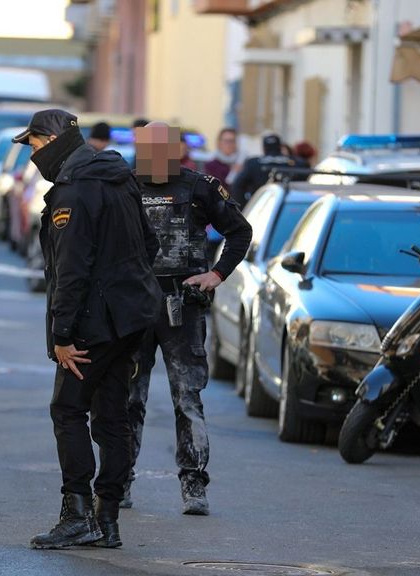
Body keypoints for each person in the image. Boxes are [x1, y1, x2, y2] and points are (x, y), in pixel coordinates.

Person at [12, 109, 160, 550]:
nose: (34, 156)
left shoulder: (73, 191)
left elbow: (71, 270)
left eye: (35, 146)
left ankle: (77, 514)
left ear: (53, 140)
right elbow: (148, 245)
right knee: (112, 417)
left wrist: (62, 336)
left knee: (68, 410)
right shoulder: (119, 176)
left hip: (94, 323)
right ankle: (107, 519)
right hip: (130, 319)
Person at [127, 122, 252, 515]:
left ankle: (194, 486)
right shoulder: (125, 185)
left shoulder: (199, 186)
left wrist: (216, 274)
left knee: (188, 398)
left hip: (183, 303)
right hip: (135, 305)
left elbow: (240, 232)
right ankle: (119, 481)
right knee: (128, 398)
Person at [231, 133, 296, 208]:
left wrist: (244, 208)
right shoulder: (296, 162)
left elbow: (237, 186)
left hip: (260, 208)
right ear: (280, 147)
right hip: (290, 207)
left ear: (263, 148)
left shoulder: (253, 163)